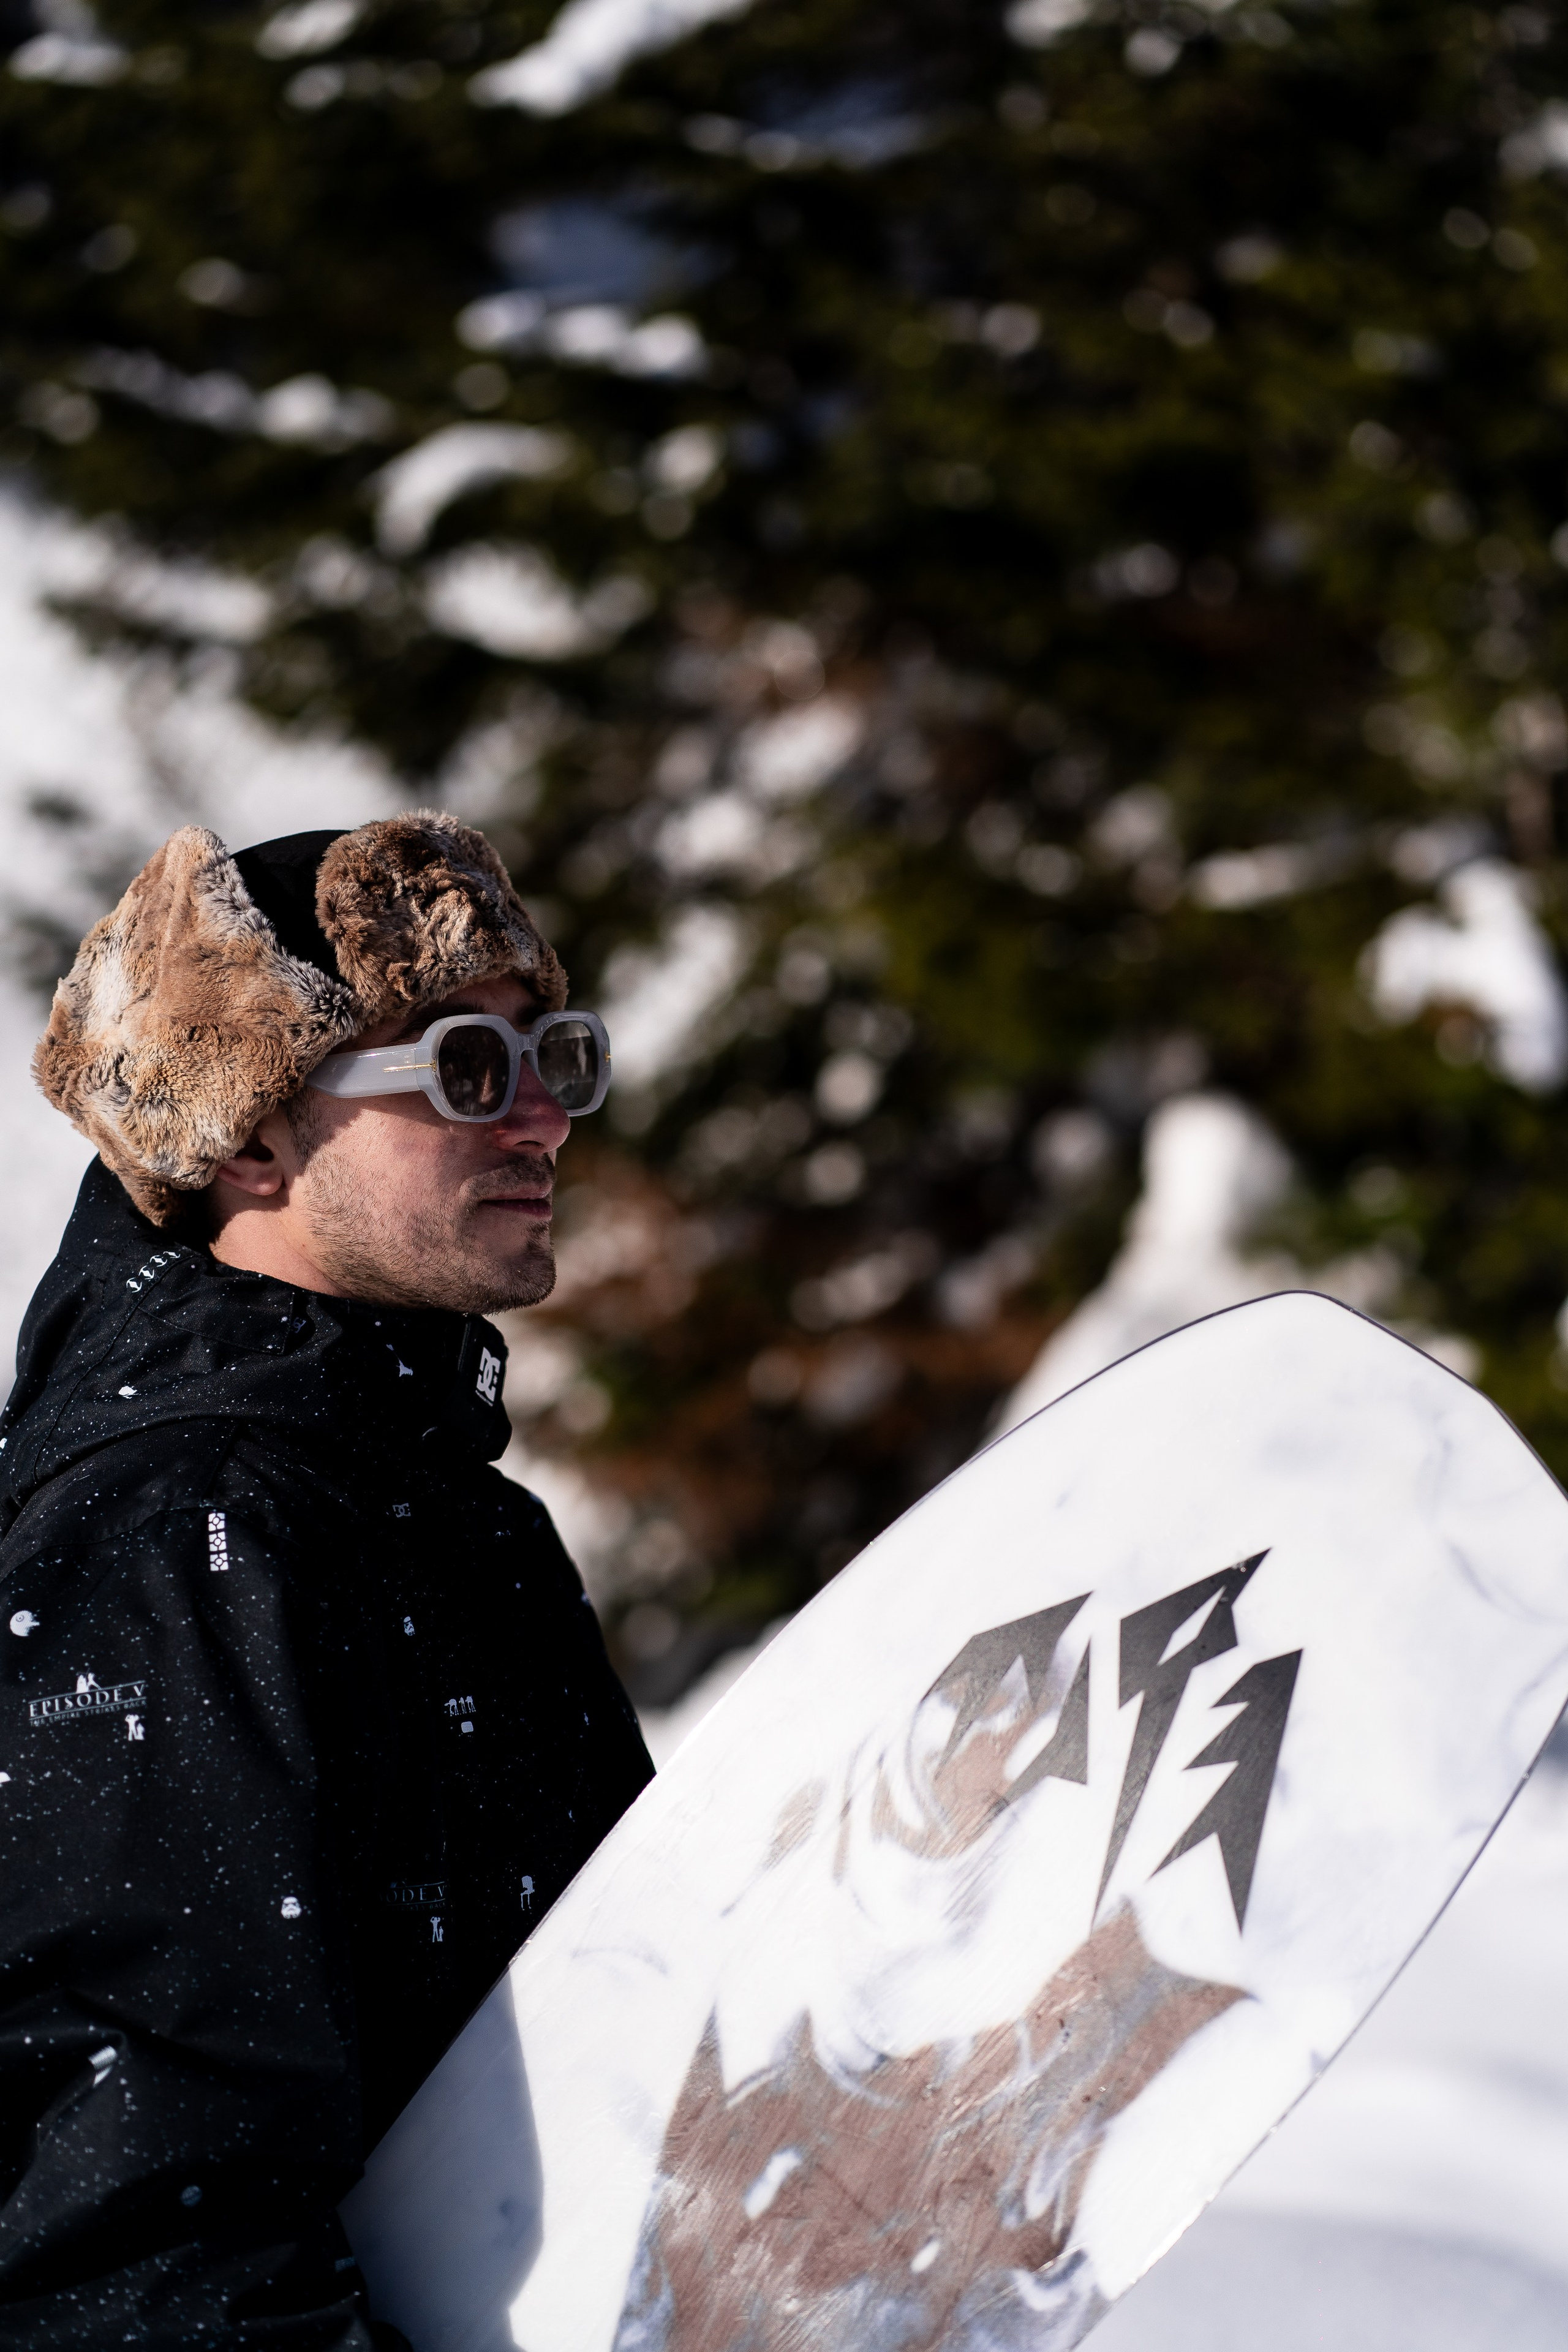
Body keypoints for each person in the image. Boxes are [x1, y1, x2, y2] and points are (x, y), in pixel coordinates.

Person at [0, 814, 654, 2347]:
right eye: (465, 1074)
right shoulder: (181, 1538)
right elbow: (136, 2239)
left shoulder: (445, 1515)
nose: (543, 1123)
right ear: (246, 1138)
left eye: (554, 1058)